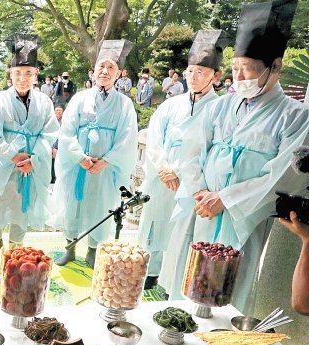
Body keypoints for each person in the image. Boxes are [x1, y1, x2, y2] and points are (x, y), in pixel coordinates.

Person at [172, 0, 309, 313]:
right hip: (204, 209)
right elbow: (191, 150)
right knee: (191, 285)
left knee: (231, 294)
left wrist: (226, 198)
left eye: (248, 70)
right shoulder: (219, 106)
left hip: (244, 217)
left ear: (275, 67)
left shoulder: (295, 116)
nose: (240, 77)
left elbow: (281, 176)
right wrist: (200, 193)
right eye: (235, 69)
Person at [138, 30, 229, 291]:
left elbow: (211, 149)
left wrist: (178, 170)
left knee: (181, 231)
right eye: (191, 71)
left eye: (201, 72)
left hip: (191, 182)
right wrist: (164, 167)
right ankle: (150, 271)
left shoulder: (219, 108)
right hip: (161, 175)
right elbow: (155, 137)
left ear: (215, 76)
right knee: (154, 223)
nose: (194, 77)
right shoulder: (171, 105)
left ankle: (173, 279)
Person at [50, 40, 138, 268]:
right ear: (94, 70)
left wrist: (106, 161)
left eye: (111, 68)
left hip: (104, 169)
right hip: (78, 166)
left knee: (100, 207)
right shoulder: (79, 98)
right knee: (73, 206)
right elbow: (67, 132)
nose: (105, 71)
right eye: (101, 66)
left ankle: (92, 250)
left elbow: (127, 138)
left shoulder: (124, 104)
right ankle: (69, 249)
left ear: (118, 74)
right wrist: (80, 157)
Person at [0, 33, 59, 272]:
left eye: (28, 73)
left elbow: (49, 133)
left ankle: (14, 254)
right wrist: (13, 156)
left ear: (36, 75)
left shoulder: (44, 102)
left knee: (21, 213)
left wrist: (34, 159)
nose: (23, 78)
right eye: (18, 73)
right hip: (2, 167)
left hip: (29, 167)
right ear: (10, 75)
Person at [51, 105, 64, 185]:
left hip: (62, 147)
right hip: (52, 146)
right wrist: (53, 148)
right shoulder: (51, 122)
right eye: (56, 110)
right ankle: (53, 178)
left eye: (60, 110)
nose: (58, 112)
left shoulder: (65, 122)